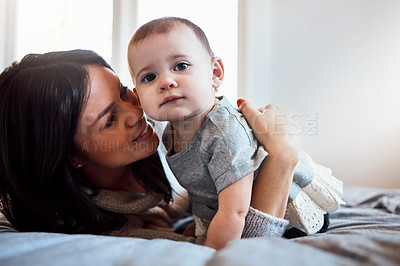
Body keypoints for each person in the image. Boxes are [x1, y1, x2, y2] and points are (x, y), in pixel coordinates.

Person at [0, 49, 302, 245]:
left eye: (122, 91)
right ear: (70, 156)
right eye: (109, 120)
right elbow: (240, 250)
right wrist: (283, 157)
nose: (136, 112)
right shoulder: (110, 234)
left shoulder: (166, 145)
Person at [127, 17, 344, 249]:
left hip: (286, 214)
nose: (166, 82)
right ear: (138, 96)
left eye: (181, 66)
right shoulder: (170, 133)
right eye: (149, 77)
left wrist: (211, 250)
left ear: (215, 73)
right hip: (234, 208)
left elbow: (237, 211)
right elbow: (205, 191)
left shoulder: (225, 133)